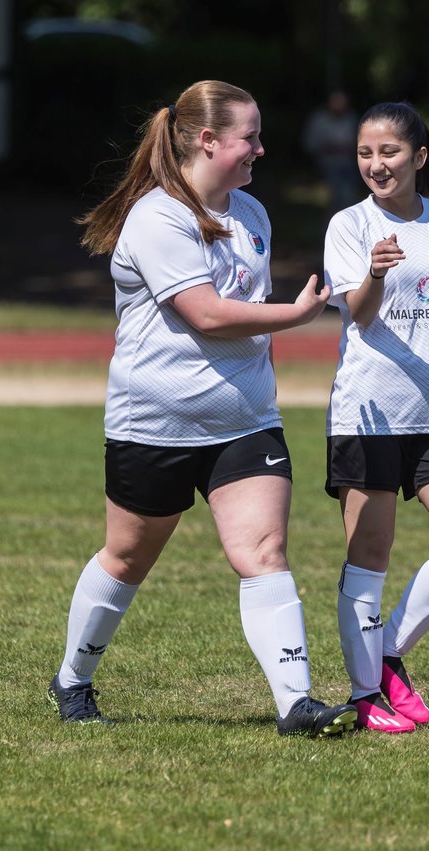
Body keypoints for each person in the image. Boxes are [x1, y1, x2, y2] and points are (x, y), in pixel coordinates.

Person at [47, 80, 357, 738]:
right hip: (152, 427)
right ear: (209, 140)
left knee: (264, 551)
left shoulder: (253, 215)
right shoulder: (157, 218)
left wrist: (266, 379)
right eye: (249, 138)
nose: (260, 149)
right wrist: (298, 314)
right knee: (128, 558)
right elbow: (208, 314)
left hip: (244, 424)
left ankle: (296, 703)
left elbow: (245, 319)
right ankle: (72, 679)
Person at [321, 102, 429, 733]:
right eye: (366, 153)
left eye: (389, 152)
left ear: (418, 157)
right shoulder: (348, 225)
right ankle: (367, 692)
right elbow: (358, 314)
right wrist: (372, 272)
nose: (376, 164)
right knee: (370, 554)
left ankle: (387, 649)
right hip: (368, 411)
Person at [302, 90, 360, 213]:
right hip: (327, 164)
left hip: (348, 162)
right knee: (335, 196)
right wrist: (331, 147)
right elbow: (311, 144)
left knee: (349, 196)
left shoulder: (351, 118)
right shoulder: (319, 119)